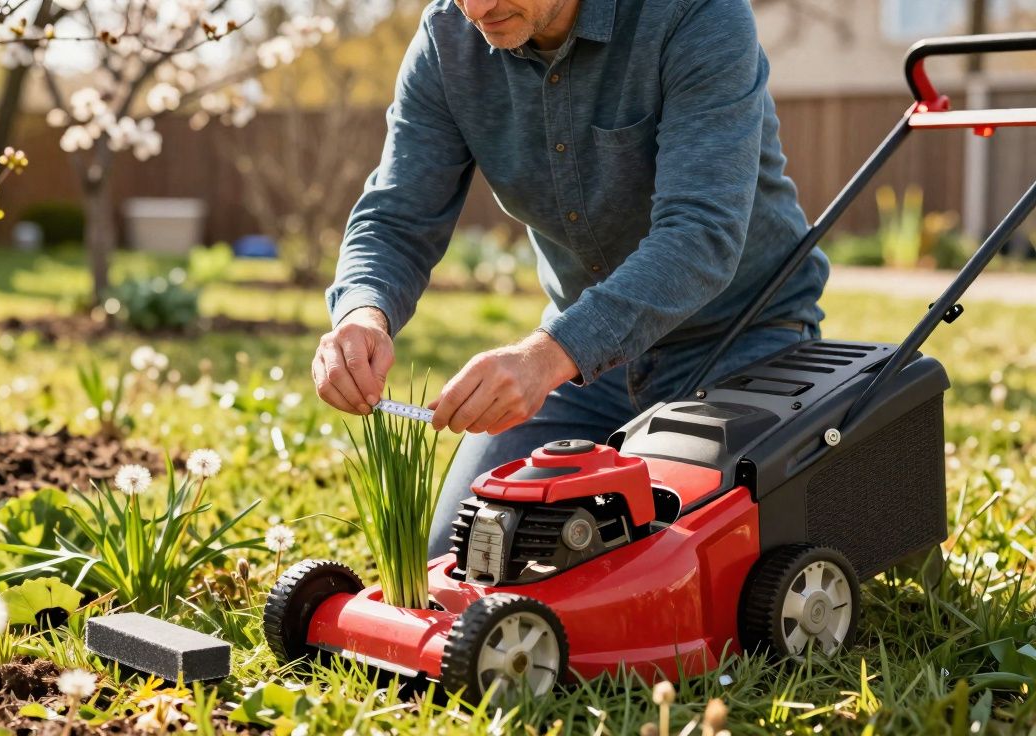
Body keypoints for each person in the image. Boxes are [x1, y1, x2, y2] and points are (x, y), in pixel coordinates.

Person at [312, 0, 829, 560]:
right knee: (467, 559)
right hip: (584, 368)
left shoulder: (695, 14)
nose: (478, 9)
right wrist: (363, 312)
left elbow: (700, 235)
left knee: (685, 568)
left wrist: (543, 358)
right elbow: (397, 215)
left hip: (740, 339)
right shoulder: (448, 40)